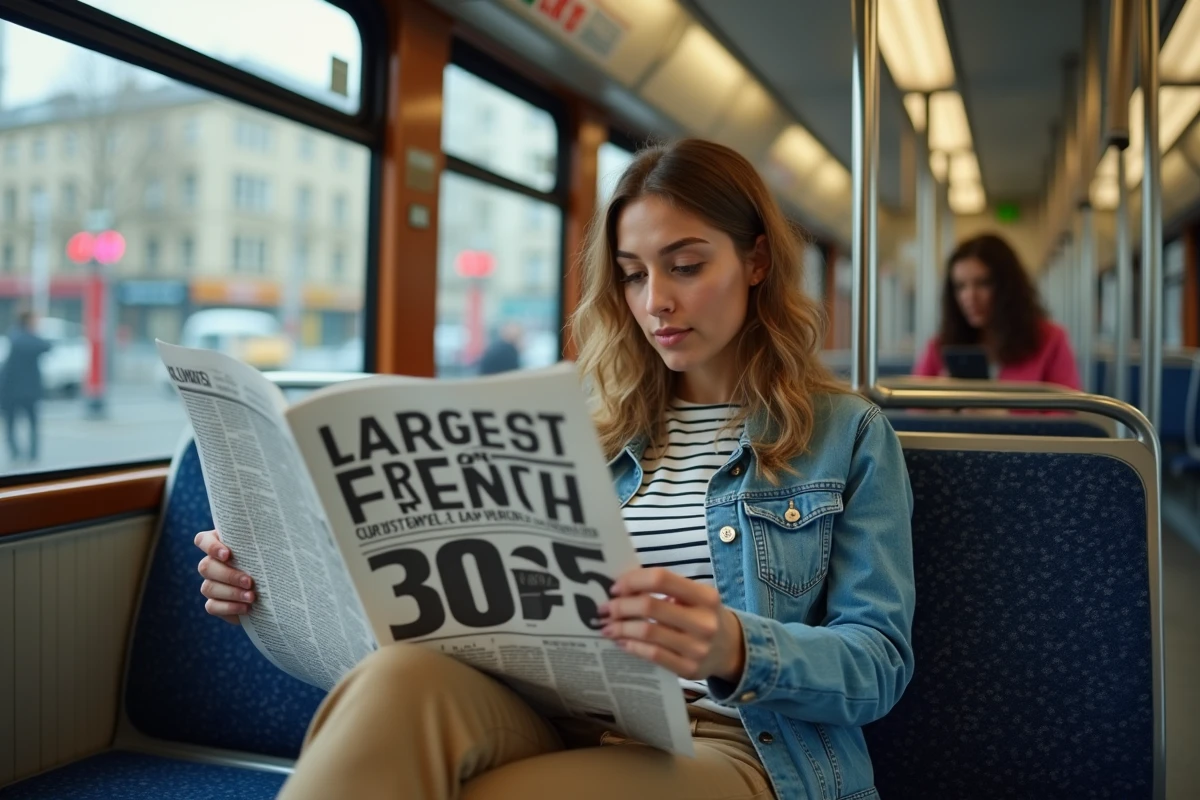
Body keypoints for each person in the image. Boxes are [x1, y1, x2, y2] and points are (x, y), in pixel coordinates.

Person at [193, 138, 915, 800]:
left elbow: (877, 663)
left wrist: (733, 645)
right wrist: (277, 580)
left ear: (756, 262)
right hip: (560, 715)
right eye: (633, 276)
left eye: (686, 267)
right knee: (396, 678)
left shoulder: (843, 435)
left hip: (741, 744)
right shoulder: (588, 425)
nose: (655, 300)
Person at [913, 233, 1082, 389]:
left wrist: (1006, 417)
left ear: (1008, 286)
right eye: (960, 286)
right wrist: (939, 405)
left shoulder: (1050, 341)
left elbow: (1068, 416)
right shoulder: (940, 347)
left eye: (983, 283)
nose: (970, 296)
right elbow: (912, 413)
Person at [0, 310, 52, 465]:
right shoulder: (22, 338)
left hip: (14, 390)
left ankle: (25, 453)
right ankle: (25, 454)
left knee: (15, 424)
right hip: (16, 390)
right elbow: (46, 346)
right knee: (24, 423)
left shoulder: (14, 336)